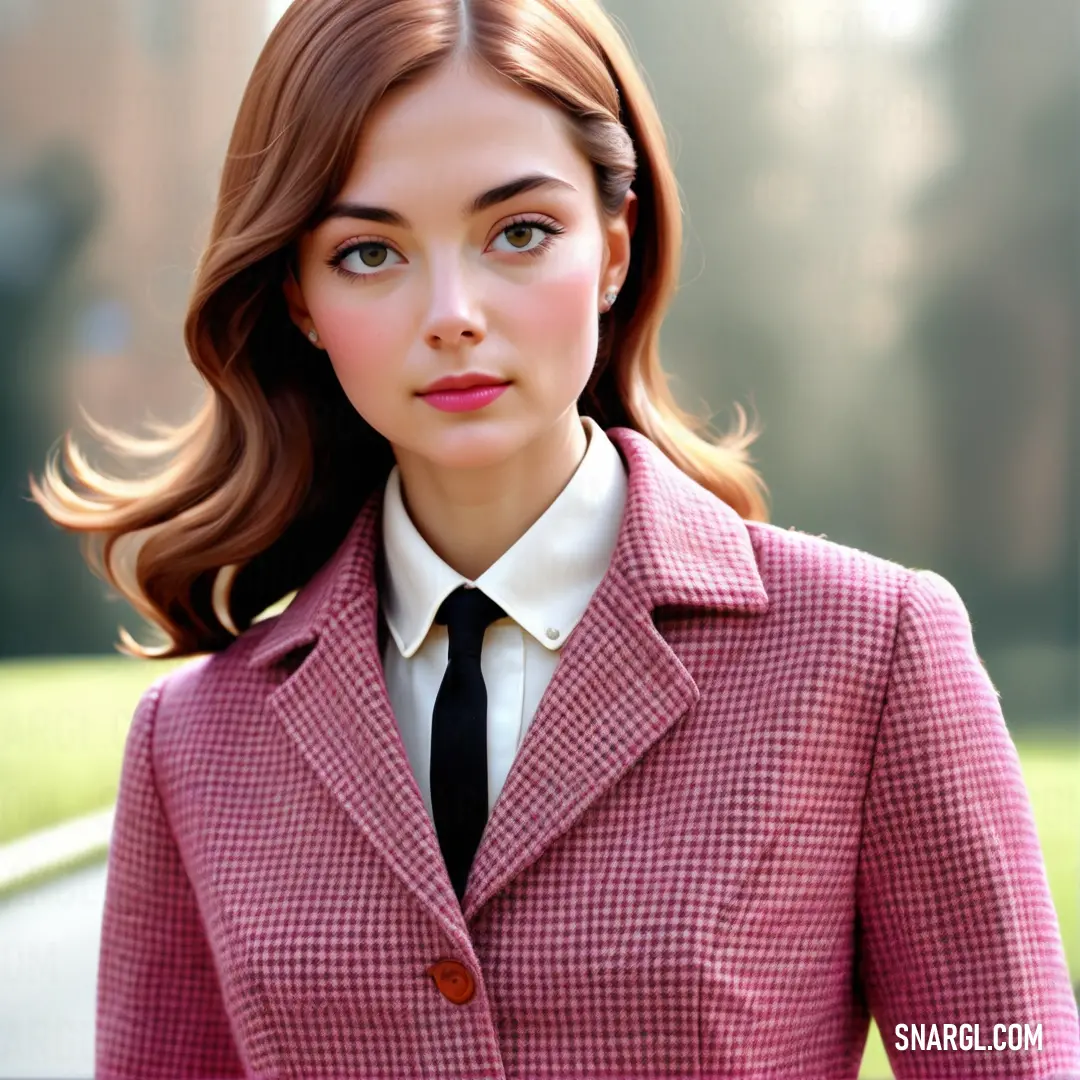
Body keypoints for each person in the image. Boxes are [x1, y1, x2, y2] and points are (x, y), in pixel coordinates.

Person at [30, 0, 1080, 1077]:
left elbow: (1000, 1048)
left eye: (518, 232)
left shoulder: (868, 654)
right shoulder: (195, 743)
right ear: (298, 296)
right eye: (369, 251)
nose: (453, 312)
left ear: (616, 245)